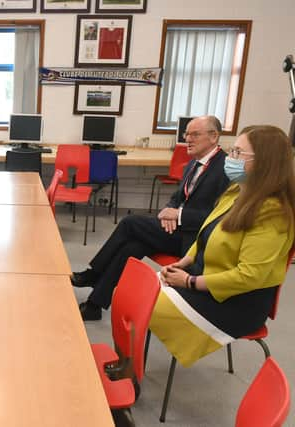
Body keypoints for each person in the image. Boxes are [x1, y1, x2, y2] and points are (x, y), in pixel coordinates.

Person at [151, 125, 295, 367]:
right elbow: (204, 236)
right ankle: (127, 367)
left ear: (265, 163)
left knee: (142, 303)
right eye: (232, 151)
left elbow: (249, 276)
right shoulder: (235, 192)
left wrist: (189, 281)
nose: (230, 159)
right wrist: (183, 263)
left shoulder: (273, 213)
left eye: (239, 154)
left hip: (235, 304)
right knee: (134, 290)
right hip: (203, 280)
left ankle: (127, 375)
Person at [76, 116, 230, 320]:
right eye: (186, 134)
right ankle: (95, 304)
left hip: (193, 241)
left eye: (195, 134)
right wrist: (169, 211)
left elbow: (218, 218)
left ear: (214, 136)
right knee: (132, 247)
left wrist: (179, 215)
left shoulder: (225, 168)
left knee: (130, 223)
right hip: (176, 229)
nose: (187, 139)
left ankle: (93, 274)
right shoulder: (193, 164)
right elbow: (177, 197)